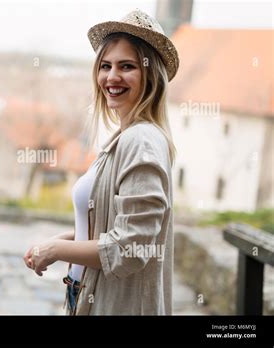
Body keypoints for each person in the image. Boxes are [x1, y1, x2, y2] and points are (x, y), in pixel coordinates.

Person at [23, 9, 179, 315]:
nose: (111, 76)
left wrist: (56, 250)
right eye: (105, 66)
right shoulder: (123, 138)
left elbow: (131, 249)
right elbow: (110, 227)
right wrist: (63, 239)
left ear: (151, 75)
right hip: (84, 295)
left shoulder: (141, 141)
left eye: (127, 66)